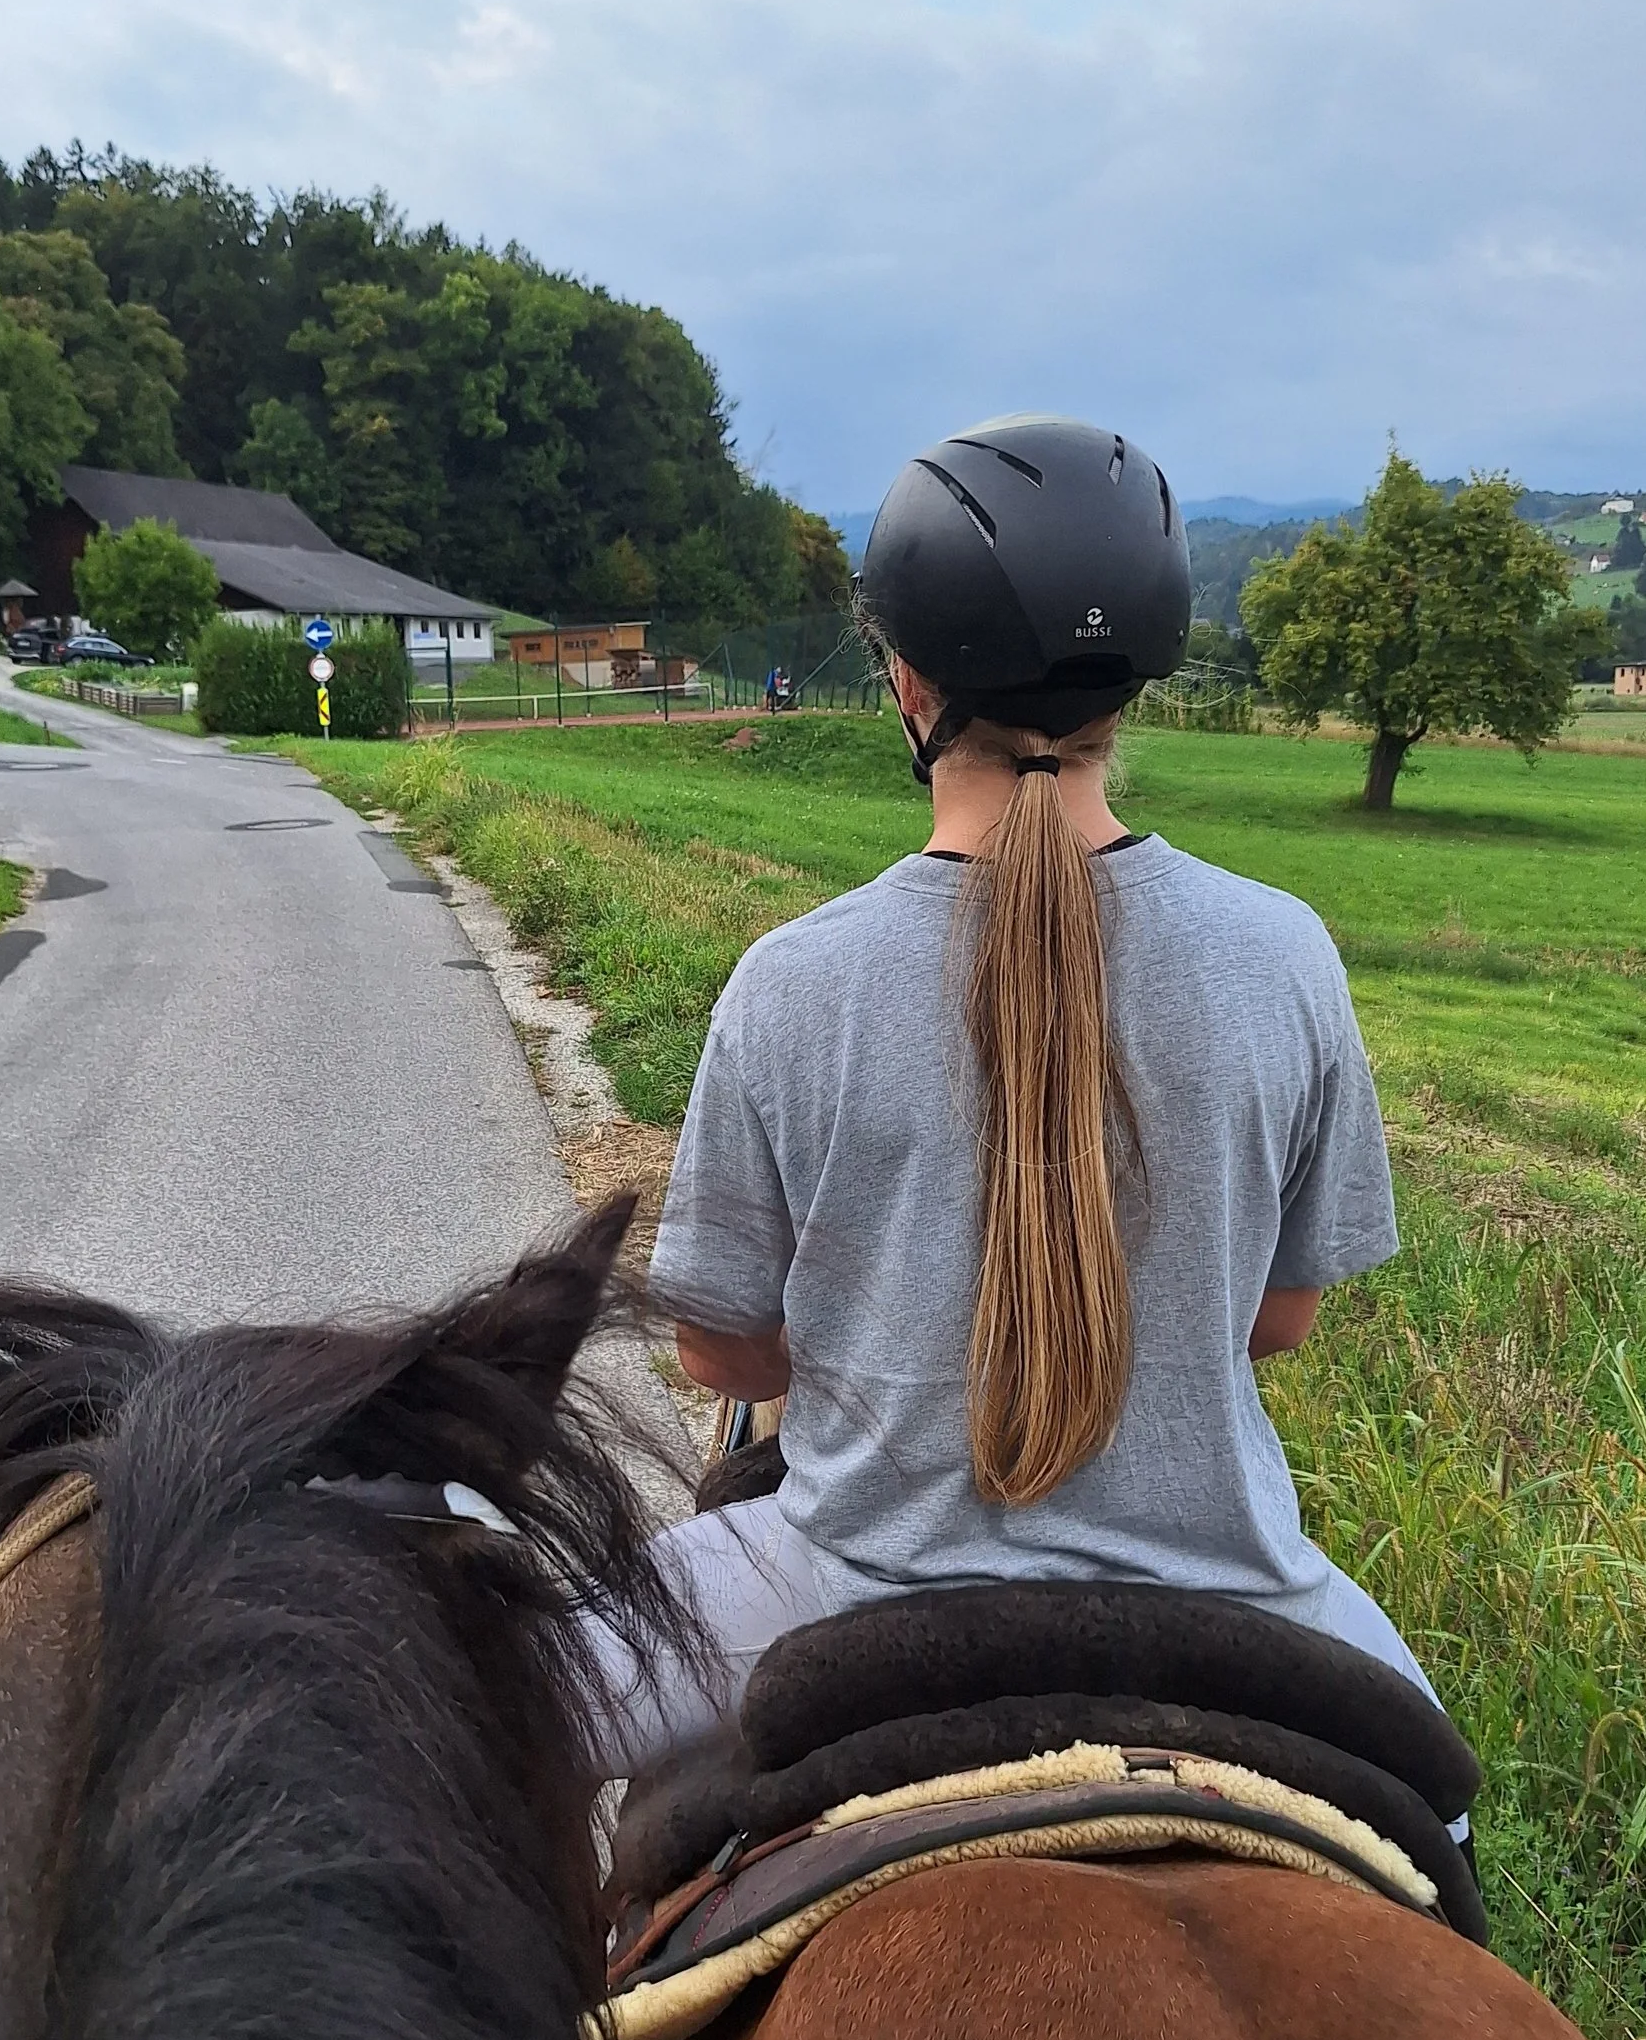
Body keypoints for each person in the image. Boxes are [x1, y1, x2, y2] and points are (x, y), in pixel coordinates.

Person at [598, 411, 1432, 1772]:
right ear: (1135, 692)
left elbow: (720, 1358)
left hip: (840, 1585)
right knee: (1442, 1827)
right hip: (1233, 1601)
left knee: (489, 1731)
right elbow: (1280, 1320)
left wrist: (892, 1346)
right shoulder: (1286, 955)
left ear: (906, 683)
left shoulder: (791, 985)